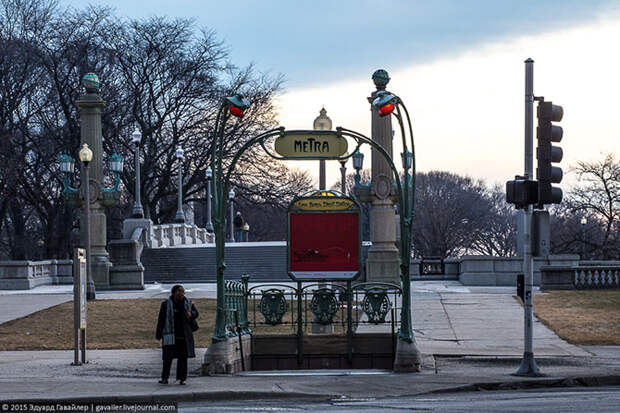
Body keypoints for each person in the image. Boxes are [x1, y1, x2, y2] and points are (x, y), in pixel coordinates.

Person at [155, 284, 199, 385]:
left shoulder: (188, 303)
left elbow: (196, 313)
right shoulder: (166, 304)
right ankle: (164, 378)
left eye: (183, 291)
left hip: (184, 335)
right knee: (167, 358)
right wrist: (158, 333)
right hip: (170, 334)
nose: (181, 293)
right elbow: (161, 320)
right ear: (173, 292)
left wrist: (191, 314)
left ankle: (182, 378)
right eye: (179, 291)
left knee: (183, 358)